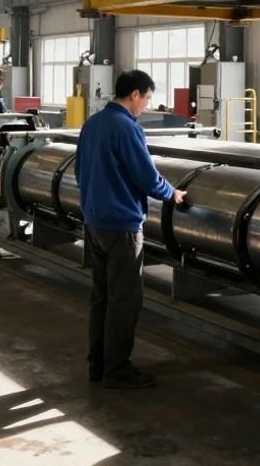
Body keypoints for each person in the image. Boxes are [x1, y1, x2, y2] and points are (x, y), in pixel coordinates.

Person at [75, 70, 186, 389]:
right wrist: (172, 193)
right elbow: (147, 177)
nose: (146, 105)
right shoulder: (127, 128)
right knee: (125, 300)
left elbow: (80, 170)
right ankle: (117, 369)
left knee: (102, 297)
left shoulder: (93, 123)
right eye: (147, 99)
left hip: (94, 222)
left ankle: (98, 364)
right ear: (134, 94)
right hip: (121, 226)